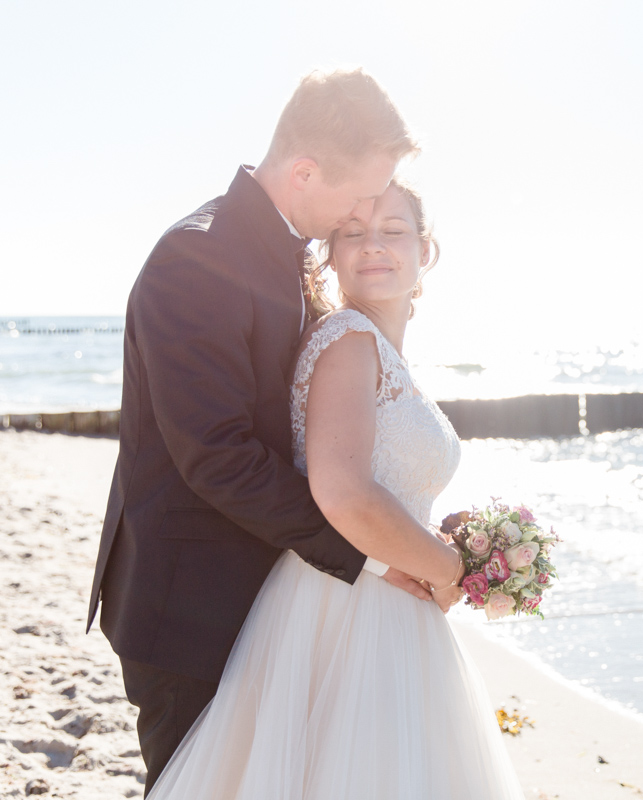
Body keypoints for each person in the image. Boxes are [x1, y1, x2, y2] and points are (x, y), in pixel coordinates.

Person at [88, 68, 436, 793]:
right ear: (305, 170)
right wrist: (374, 551)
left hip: (258, 595)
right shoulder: (199, 256)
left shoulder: (278, 252)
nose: (365, 209)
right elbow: (218, 457)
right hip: (189, 607)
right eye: (361, 193)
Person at [145, 180, 525, 798]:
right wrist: (451, 568)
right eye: (353, 233)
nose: (374, 246)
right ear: (331, 254)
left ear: (426, 251)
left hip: (384, 595)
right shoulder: (349, 341)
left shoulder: (379, 349)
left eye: (394, 231)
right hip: (349, 608)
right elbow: (345, 495)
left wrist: (447, 535)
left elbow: (387, 482)